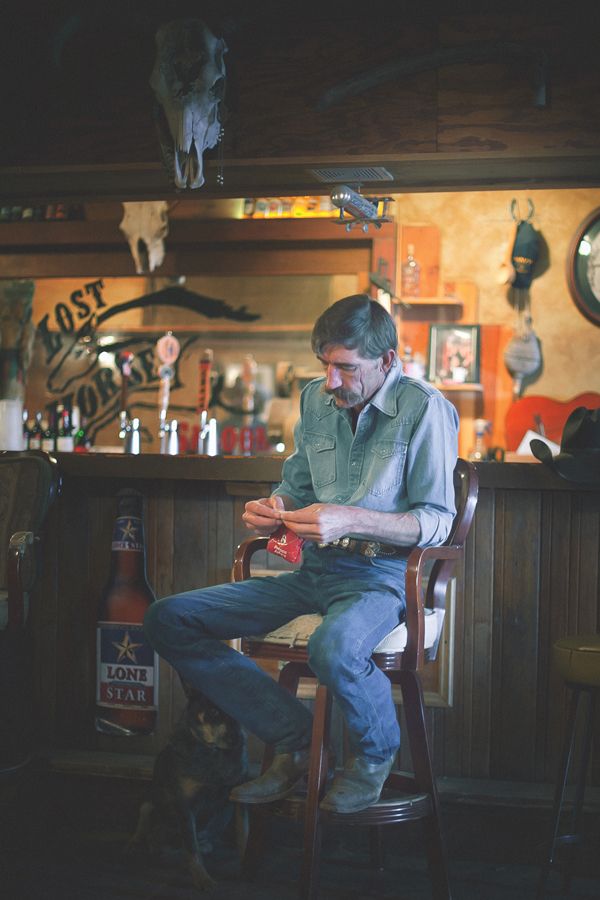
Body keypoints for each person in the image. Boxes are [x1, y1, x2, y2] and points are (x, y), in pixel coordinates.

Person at [144, 294, 458, 814]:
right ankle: (296, 740)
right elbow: (296, 486)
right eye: (324, 364)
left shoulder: (424, 408)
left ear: (386, 360)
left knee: (330, 648)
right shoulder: (316, 400)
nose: (330, 381)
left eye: (345, 367)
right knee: (167, 618)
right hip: (314, 570)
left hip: (381, 577)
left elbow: (437, 521)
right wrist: (275, 508)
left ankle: (375, 756)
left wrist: (351, 518)